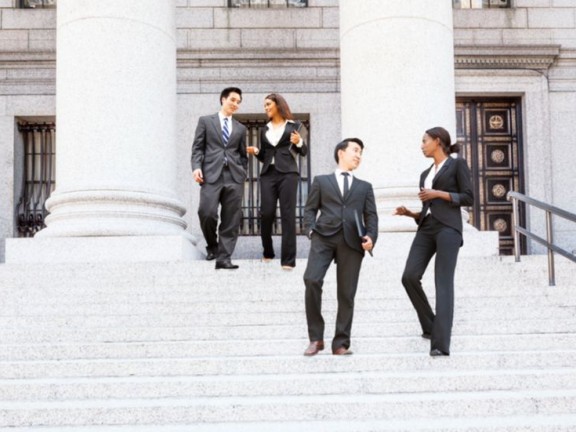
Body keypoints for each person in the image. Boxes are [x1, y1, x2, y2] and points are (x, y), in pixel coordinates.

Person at [394, 126, 474, 357]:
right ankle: (430, 325)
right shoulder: (425, 174)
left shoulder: (457, 164)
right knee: (409, 276)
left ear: (437, 141)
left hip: (449, 228)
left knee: (443, 283)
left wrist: (438, 194)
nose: (421, 145)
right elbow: (427, 208)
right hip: (426, 228)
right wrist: (410, 214)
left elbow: (469, 197)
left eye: (424, 140)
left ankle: (440, 344)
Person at [302, 138, 378, 356]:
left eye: (361, 152)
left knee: (346, 293)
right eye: (355, 150)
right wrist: (310, 230)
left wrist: (371, 236)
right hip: (323, 237)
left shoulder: (365, 187)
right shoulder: (322, 181)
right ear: (341, 153)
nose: (358, 155)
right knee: (312, 279)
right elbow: (310, 209)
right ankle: (316, 339)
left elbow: (371, 216)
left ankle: (340, 343)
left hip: (352, 242)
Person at [246, 93, 307, 270]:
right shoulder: (263, 130)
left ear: (278, 105)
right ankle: (268, 251)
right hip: (268, 174)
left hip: (288, 173)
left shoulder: (294, 126)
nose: (265, 108)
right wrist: (257, 151)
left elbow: (303, 152)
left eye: (268, 104)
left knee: (288, 215)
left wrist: (299, 141)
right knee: (266, 213)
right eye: (264, 105)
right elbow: (266, 156)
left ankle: (288, 260)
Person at [191, 87, 248, 270]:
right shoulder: (206, 121)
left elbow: (242, 154)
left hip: (234, 176)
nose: (235, 104)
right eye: (233, 100)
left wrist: (242, 172)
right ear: (223, 99)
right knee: (206, 212)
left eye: (238, 102)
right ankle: (212, 246)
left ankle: (224, 258)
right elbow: (197, 148)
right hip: (211, 174)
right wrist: (197, 167)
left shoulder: (241, 128)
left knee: (231, 218)